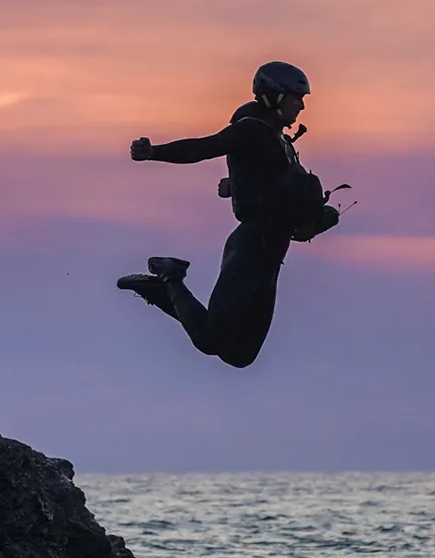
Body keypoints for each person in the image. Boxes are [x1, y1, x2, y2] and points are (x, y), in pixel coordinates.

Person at [117, 61, 342, 368]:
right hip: (250, 247)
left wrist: (313, 218)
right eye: (295, 97)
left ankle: (164, 289)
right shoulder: (251, 130)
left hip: (271, 255)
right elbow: (203, 148)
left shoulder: (281, 143)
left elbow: (271, 190)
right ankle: (170, 278)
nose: (301, 105)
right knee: (211, 340)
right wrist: (154, 152)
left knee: (240, 355)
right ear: (274, 96)